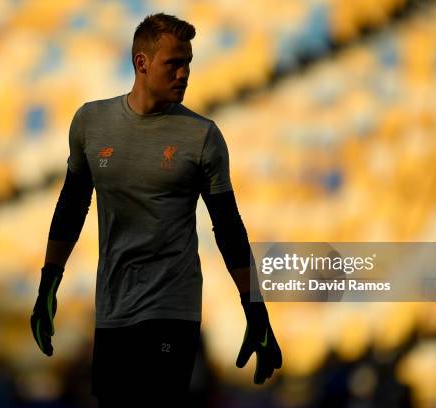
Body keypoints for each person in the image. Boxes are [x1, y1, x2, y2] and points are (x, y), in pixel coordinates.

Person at [30, 13, 282, 407]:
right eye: (174, 63)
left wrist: (256, 309)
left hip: (173, 308)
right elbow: (71, 206)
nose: (184, 74)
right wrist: (48, 285)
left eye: (188, 64)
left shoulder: (202, 137)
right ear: (142, 63)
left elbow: (228, 227)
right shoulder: (90, 124)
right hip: (114, 308)